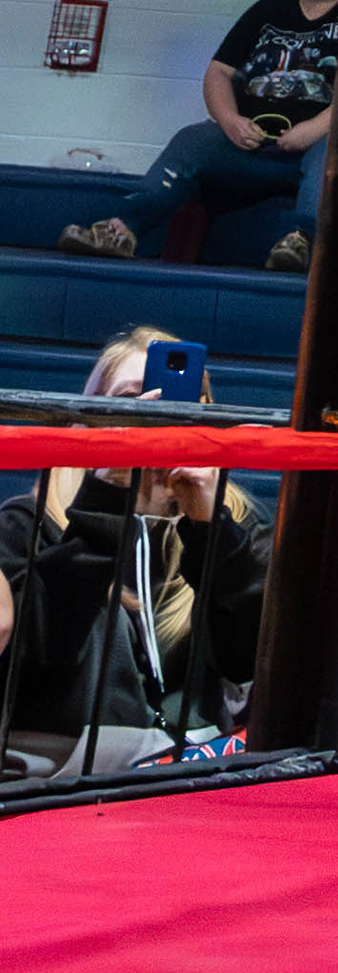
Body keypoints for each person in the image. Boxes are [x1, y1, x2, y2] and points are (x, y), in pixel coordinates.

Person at [0, 328, 268, 771]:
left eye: (173, 401)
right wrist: (106, 495)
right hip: (58, 783)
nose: (155, 416)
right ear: (88, 420)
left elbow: (249, 665)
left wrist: (210, 527)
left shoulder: (236, 524)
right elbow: (38, 656)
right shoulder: (28, 521)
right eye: (132, 400)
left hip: (188, 780)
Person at [59, 0, 338, 266]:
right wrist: (229, 121)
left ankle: (305, 243)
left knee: (334, 152)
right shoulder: (268, 9)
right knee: (192, 141)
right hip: (250, 145)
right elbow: (219, 71)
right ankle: (121, 231)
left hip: (314, 146)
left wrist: (314, 130)